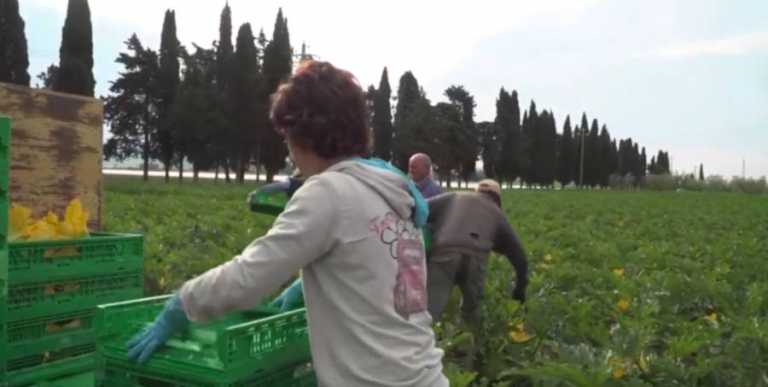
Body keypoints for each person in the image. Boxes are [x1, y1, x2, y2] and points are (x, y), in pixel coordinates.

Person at [127, 61, 448, 386]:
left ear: (302, 136)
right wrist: (307, 284)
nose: (290, 153)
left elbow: (247, 278)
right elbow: (385, 274)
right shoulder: (392, 191)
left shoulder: (327, 192)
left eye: (286, 138)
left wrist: (183, 303)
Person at [425, 179, 528, 326]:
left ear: (477, 191)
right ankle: (468, 336)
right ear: (497, 199)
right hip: (476, 258)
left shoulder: (454, 196)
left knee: (431, 308)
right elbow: (519, 256)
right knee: (471, 312)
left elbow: (419, 207)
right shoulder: (497, 213)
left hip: (445, 251)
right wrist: (520, 289)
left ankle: (423, 335)